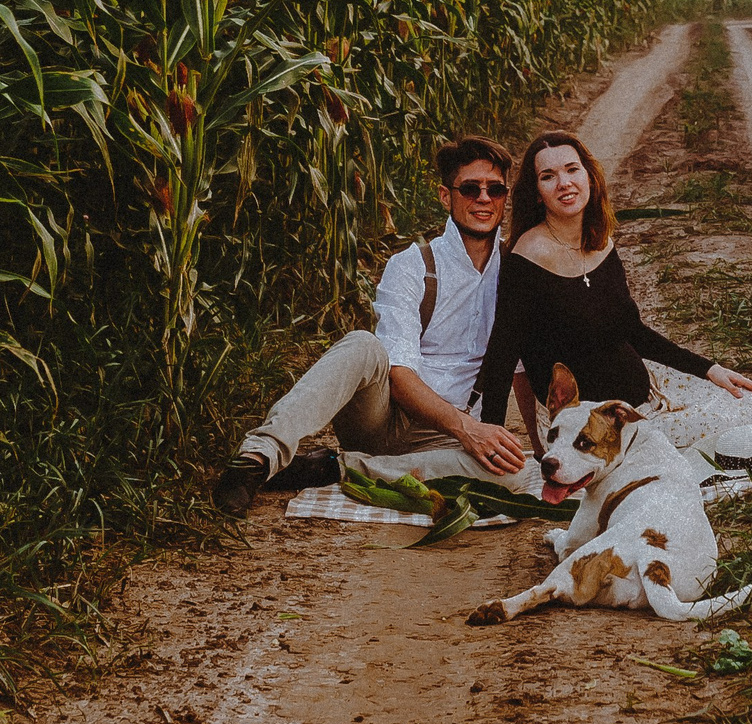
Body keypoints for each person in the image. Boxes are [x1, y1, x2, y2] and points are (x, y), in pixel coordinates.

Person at [214, 135, 538, 515]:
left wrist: (541, 449)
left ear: (505, 197)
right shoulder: (413, 265)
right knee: (363, 344)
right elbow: (398, 373)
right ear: (446, 197)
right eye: (470, 188)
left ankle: (336, 468)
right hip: (382, 418)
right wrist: (466, 429)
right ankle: (256, 459)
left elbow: (521, 370)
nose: (483, 198)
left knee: (513, 476)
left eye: (495, 189)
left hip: (447, 441)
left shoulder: (516, 271)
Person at [476, 129, 752, 453]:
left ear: (589, 175)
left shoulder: (599, 243)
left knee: (749, 397)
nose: (564, 183)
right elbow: (502, 359)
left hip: (651, 388)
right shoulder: (526, 259)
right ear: (536, 193)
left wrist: (709, 368)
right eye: (548, 176)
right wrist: (490, 440)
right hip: (597, 427)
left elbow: (633, 332)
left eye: (572, 169)